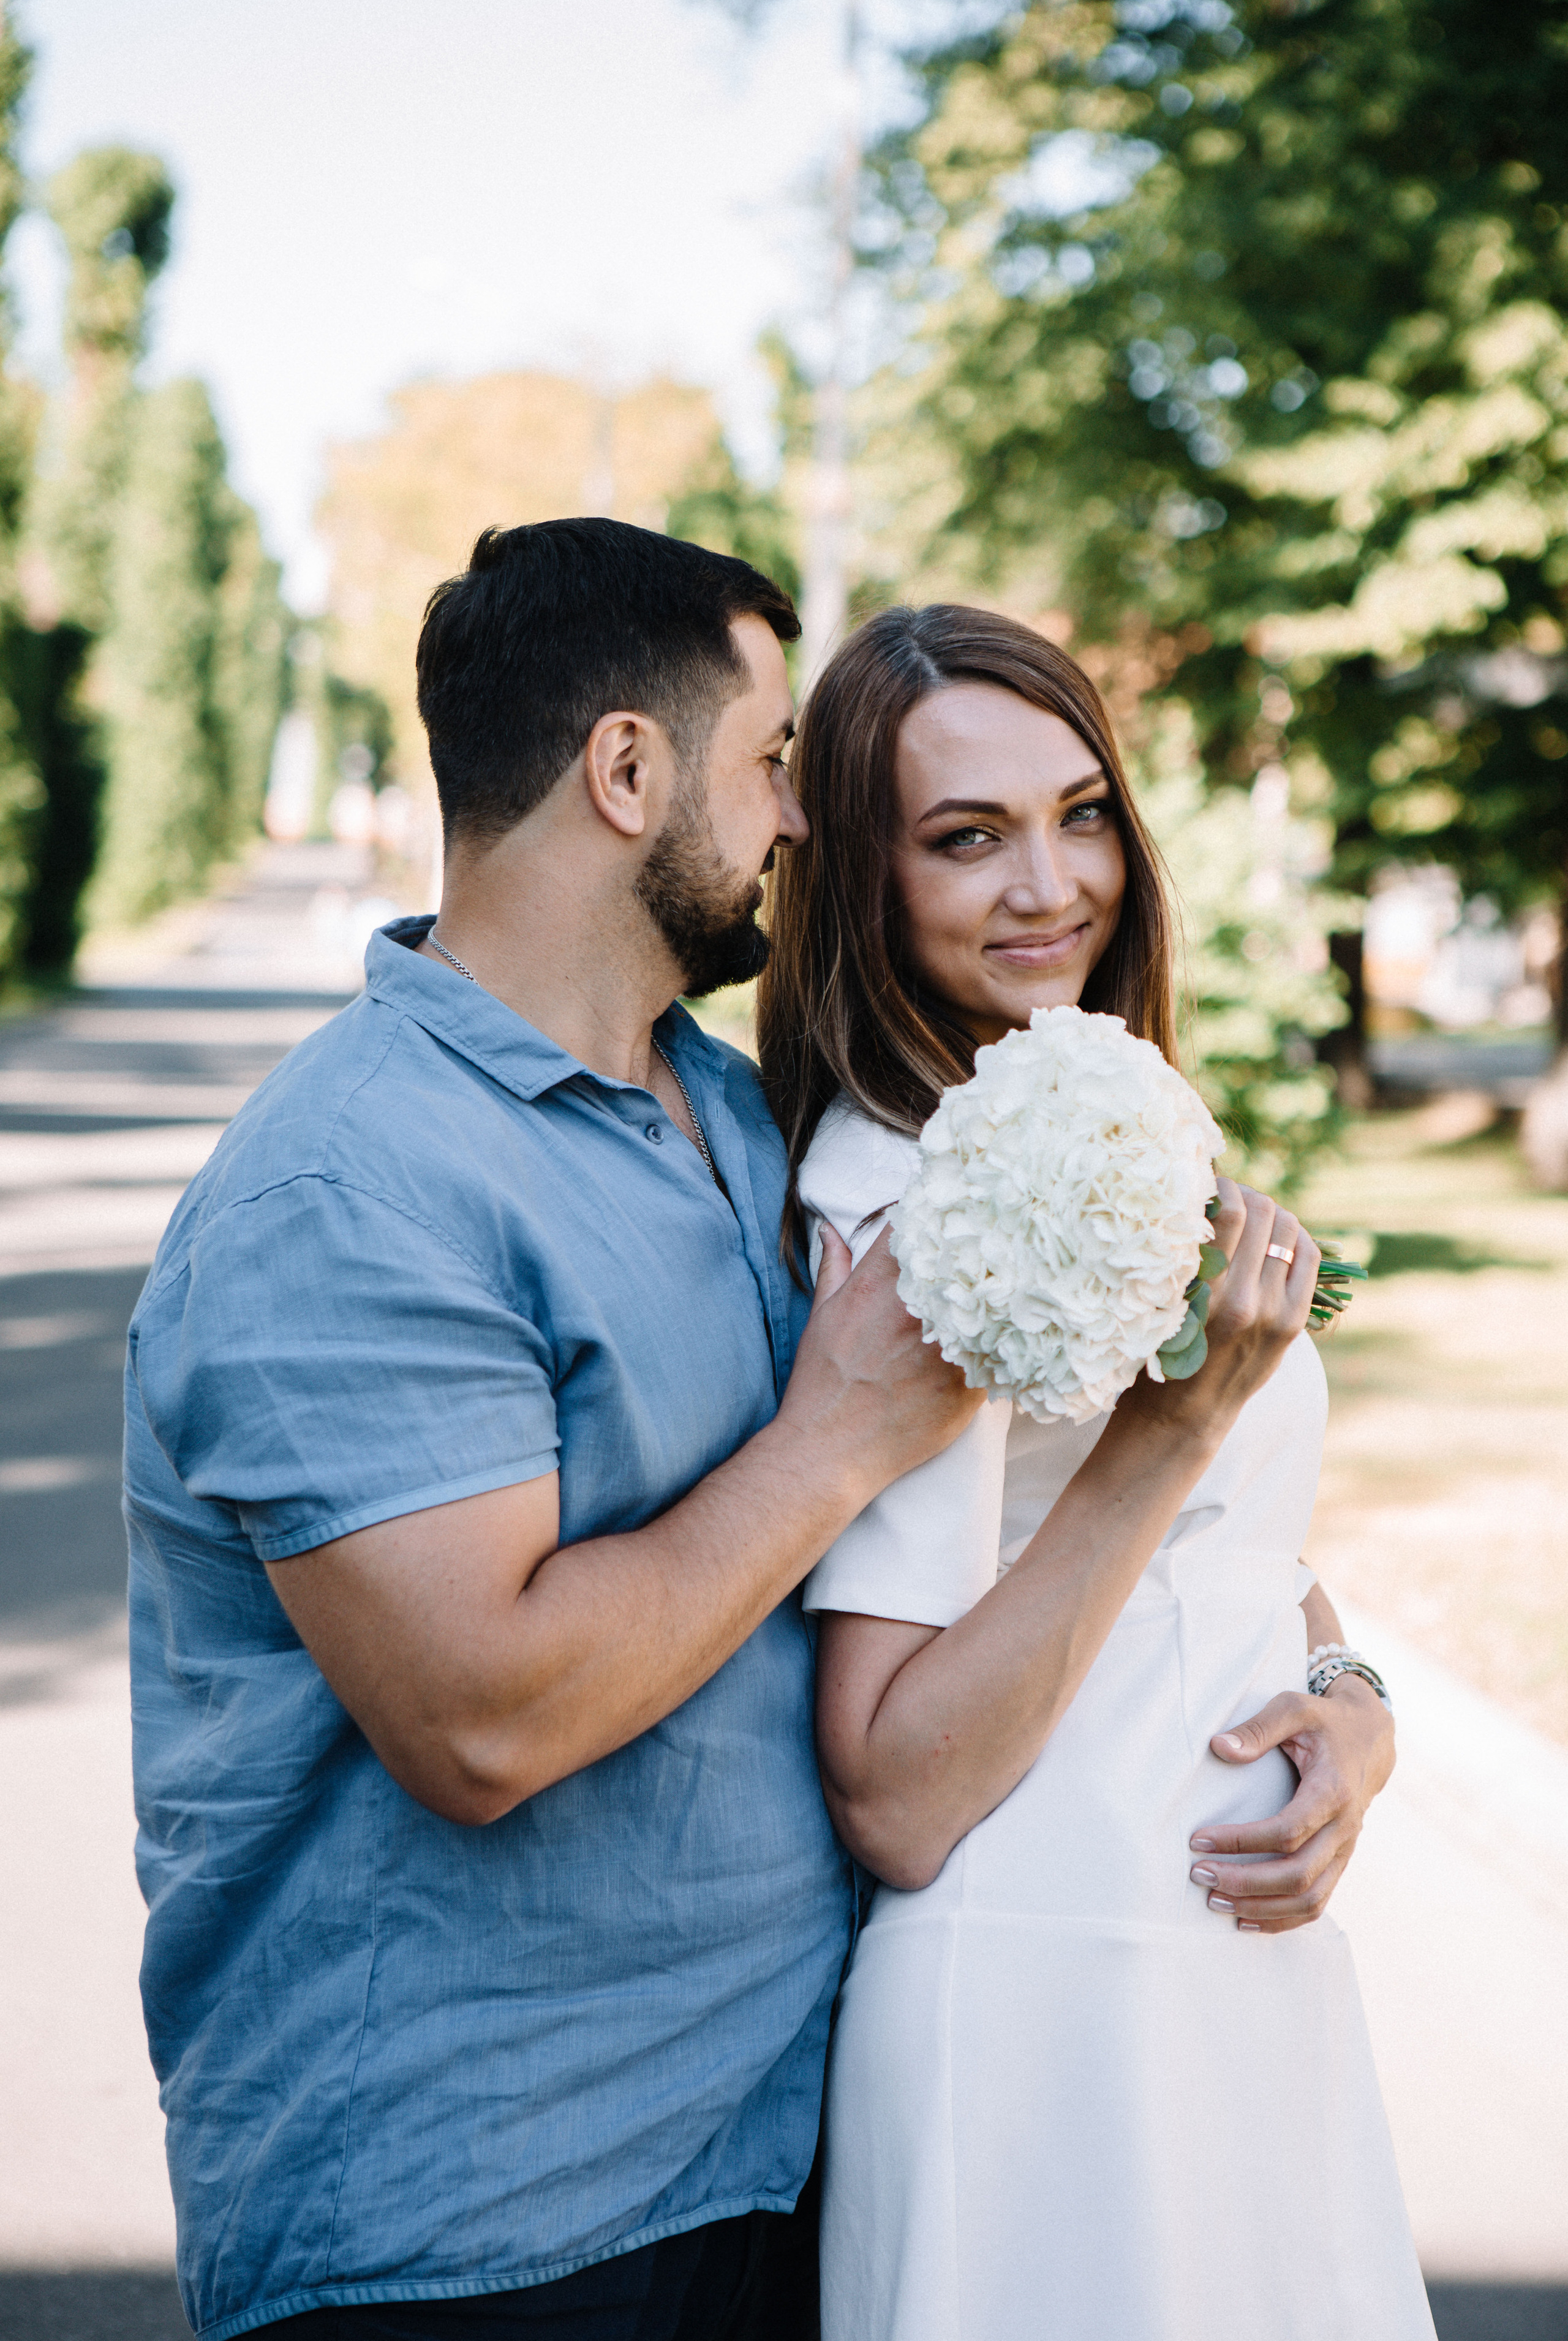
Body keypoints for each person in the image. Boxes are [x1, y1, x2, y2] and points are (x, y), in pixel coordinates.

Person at [124, 520, 986, 2341]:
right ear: (627, 770)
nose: (799, 818)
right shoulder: (349, 1191)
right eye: (769, 761)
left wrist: (1327, 1670)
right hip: (475, 2224)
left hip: (772, 2159)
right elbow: (483, 1718)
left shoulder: (738, 1118)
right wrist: (837, 1439)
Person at [755, 603, 1434, 2341]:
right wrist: (1179, 1422)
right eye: (966, 838)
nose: (1050, 885)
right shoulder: (911, 1215)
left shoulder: (1088, 1117)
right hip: (1049, 2004)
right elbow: (893, 1790)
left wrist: (1353, 1708)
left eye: (1080, 816)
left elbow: (1226, 1543)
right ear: (863, 881)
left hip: (1221, 1981)